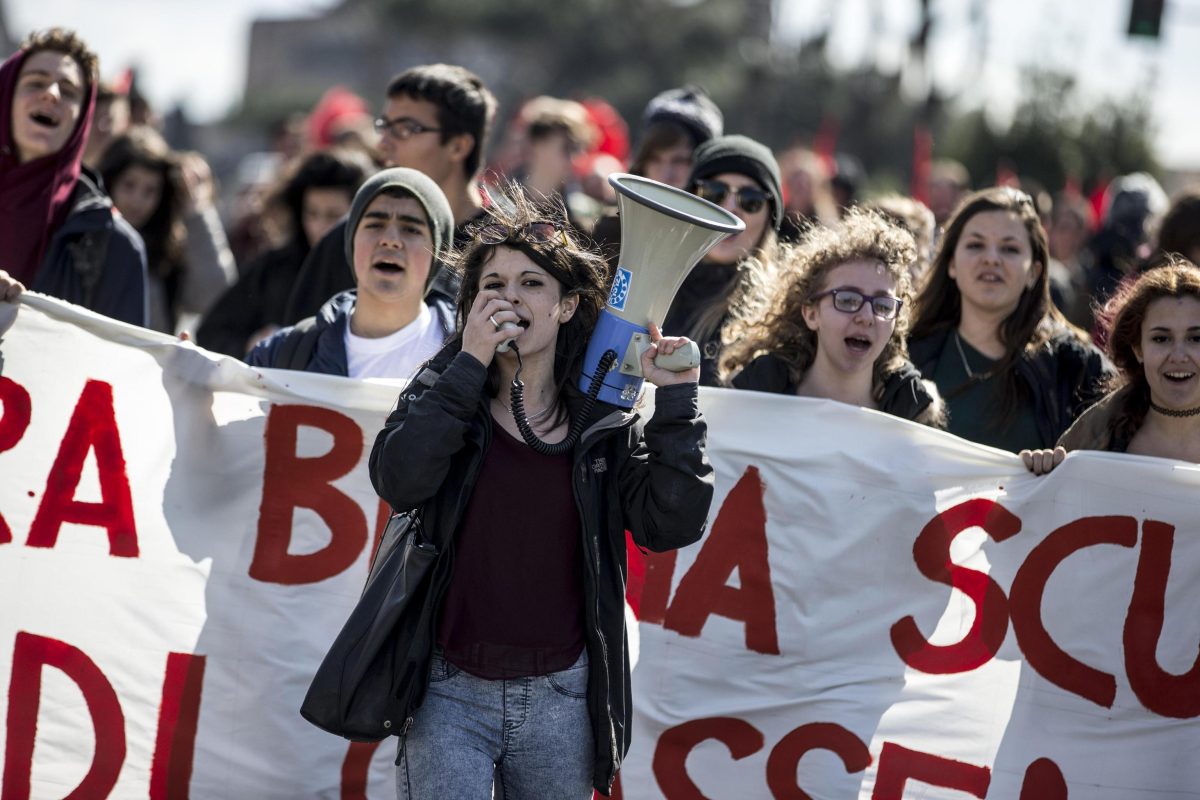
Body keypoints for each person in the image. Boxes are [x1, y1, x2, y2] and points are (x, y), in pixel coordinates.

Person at [367, 187, 712, 798]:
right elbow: (399, 479)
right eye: (492, 285)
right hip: (448, 693)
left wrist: (678, 401)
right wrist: (469, 365)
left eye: (531, 284)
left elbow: (670, 525)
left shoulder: (601, 423)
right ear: (471, 307)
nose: (509, 297)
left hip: (562, 698)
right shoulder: (444, 391)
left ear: (567, 306)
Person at [283, 63, 498, 325]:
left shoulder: (506, 245)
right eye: (384, 126)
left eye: (405, 129)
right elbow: (306, 338)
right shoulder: (352, 235)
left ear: (458, 146)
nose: (384, 143)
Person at [908, 186, 1113, 452]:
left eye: (1010, 249)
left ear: (1034, 272)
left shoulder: (1076, 368)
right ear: (952, 264)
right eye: (976, 245)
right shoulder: (907, 357)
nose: (991, 259)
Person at [721, 207, 944, 425]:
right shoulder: (755, 396)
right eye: (847, 300)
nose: (867, 316)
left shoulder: (910, 417)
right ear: (811, 314)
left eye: (883, 306)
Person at [246, 167, 454, 379]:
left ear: (439, 252)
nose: (390, 240)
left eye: (411, 229)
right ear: (351, 241)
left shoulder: (468, 353)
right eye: (375, 225)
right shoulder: (275, 358)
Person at [0, 28, 147, 326]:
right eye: (36, 82)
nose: (51, 94)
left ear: (82, 117)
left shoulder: (115, 246)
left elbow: (116, 355)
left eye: (68, 91)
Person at [1023, 256, 1200, 473]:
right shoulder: (1093, 437)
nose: (1179, 356)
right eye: (1161, 339)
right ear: (1137, 349)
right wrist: (1040, 473)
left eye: (1196, 339)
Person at [197, 148, 372, 356]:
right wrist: (253, 344)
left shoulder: (375, 274)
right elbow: (211, 333)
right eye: (312, 213)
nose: (320, 226)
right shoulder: (273, 267)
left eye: (333, 216)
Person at [662, 134, 784, 385]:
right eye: (714, 192)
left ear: (769, 218)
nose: (730, 208)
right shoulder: (646, 283)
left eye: (750, 200)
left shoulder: (782, 316)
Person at [98, 127, 237, 333]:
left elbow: (214, 296)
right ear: (110, 182)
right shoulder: (86, 240)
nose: (137, 200)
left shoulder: (169, 253)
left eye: (150, 190)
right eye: (129, 185)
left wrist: (197, 212)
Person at [591, 85, 722, 266]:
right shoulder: (609, 232)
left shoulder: (719, 245)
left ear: (703, 167)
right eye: (654, 159)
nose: (666, 173)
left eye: (679, 161)